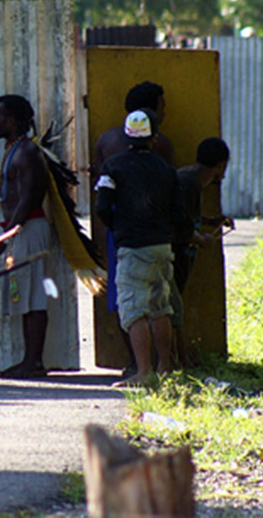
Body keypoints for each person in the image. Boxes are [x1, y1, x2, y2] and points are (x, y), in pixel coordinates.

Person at [94, 109, 190, 387]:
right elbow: (178, 212)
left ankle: (144, 371)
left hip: (132, 246)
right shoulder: (166, 169)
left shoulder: (113, 166)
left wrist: (119, 227)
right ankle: (164, 368)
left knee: (134, 309)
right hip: (162, 245)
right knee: (161, 307)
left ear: (127, 137)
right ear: (154, 138)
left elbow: (102, 206)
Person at [0, 94, 51, 379]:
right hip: (20, 230)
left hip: (27, 230)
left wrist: (2, 241)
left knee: (33, 297)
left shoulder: (26, 152)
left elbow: (30, 198)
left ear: (11, 121)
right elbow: (17, 192)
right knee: (25, 295)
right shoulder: (17, 150)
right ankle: (29, 360)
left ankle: (34, 362)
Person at [169, 137, 233, 366]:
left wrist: (211, 221)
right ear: (220, 166)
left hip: (179, 249)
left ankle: (180, 357)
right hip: (176, 251)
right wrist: (200, 239)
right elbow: (179, 224)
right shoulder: (190, 183)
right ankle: (179, 359)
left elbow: (187, 217)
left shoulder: (189, 177)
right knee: (173, 307)